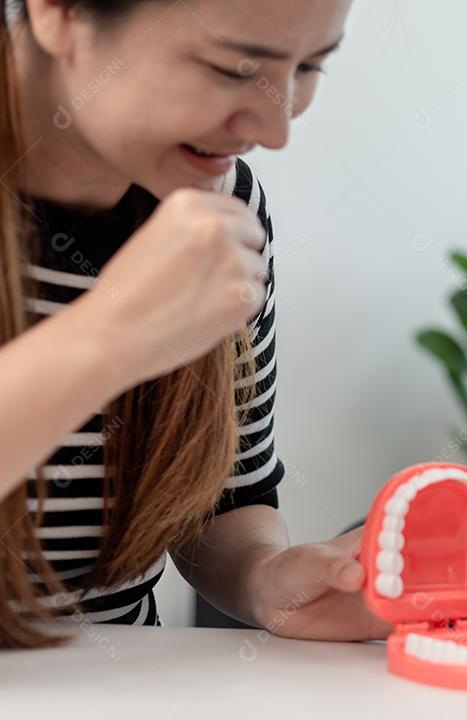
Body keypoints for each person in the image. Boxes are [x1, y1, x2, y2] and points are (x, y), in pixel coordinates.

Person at [0, 0, 396, 648]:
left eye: (311, 66)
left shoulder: (227, 200)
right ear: (59, 14)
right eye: (235, 67)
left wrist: (269, 579)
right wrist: (112, 335)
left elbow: (227, 498)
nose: (277, 128)